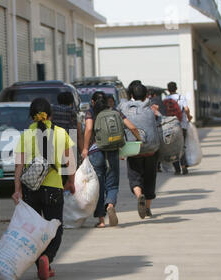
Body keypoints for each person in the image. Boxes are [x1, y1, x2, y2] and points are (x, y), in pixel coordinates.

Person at [12, 98, 76, 280]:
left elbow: (19, 166)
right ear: (51, 115)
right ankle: (46, 258)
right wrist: (71, 182)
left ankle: (41, 261)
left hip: (30, 190)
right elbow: (70, 162)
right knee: (55, 228)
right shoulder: (61, 133)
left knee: (34, 230)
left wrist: (18, 190)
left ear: (32, 117)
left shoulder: (25, 135)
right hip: (54, 188)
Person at [82, 92, 142, 228]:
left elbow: (89, 129)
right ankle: (110, 204)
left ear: (92, 102)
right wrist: (139, 139)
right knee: (113, 184)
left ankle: (101, 220)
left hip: (95, 152)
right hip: (113, 150)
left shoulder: (90, 112)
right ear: (107, 101)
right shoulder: (115, 111)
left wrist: (85, 148)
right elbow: (131, 126)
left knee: (98, 185)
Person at [118, 83, 159, 219]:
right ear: (146, 95)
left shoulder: (124, 107)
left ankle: (138, 195)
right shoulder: (151, 108)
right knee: (150, 179)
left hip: (133, 150)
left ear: (131, 95)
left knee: (135, 177)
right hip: (151, 151)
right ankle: (147, 208)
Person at [165, 82, 192, 176]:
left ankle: (177, 169)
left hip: (170, 126)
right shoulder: (181, 97)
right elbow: (187, 109)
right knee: (181, 146)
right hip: (182, 125)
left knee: (172, 147)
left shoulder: (166, 99)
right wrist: (189, 117)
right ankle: (183, 166)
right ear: (176, 88)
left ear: (168, 89)